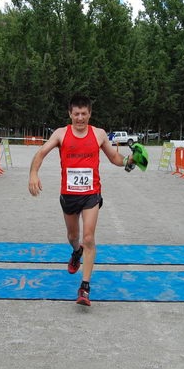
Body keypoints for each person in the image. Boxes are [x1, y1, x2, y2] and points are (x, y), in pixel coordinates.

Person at [28, 94, 139, 306]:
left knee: (88, 237)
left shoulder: (99, 134)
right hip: (69, 195)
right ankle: (76, 252)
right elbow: (41, 153)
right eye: (76, 114)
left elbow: (114, 158)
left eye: (84, 114)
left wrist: (129, 159)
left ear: (90, 114)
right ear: (70, 114)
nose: (80, 118)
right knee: (73, 236)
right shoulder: (61, 134)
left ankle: (84, 287)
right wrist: (33, 174)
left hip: (91, 194)